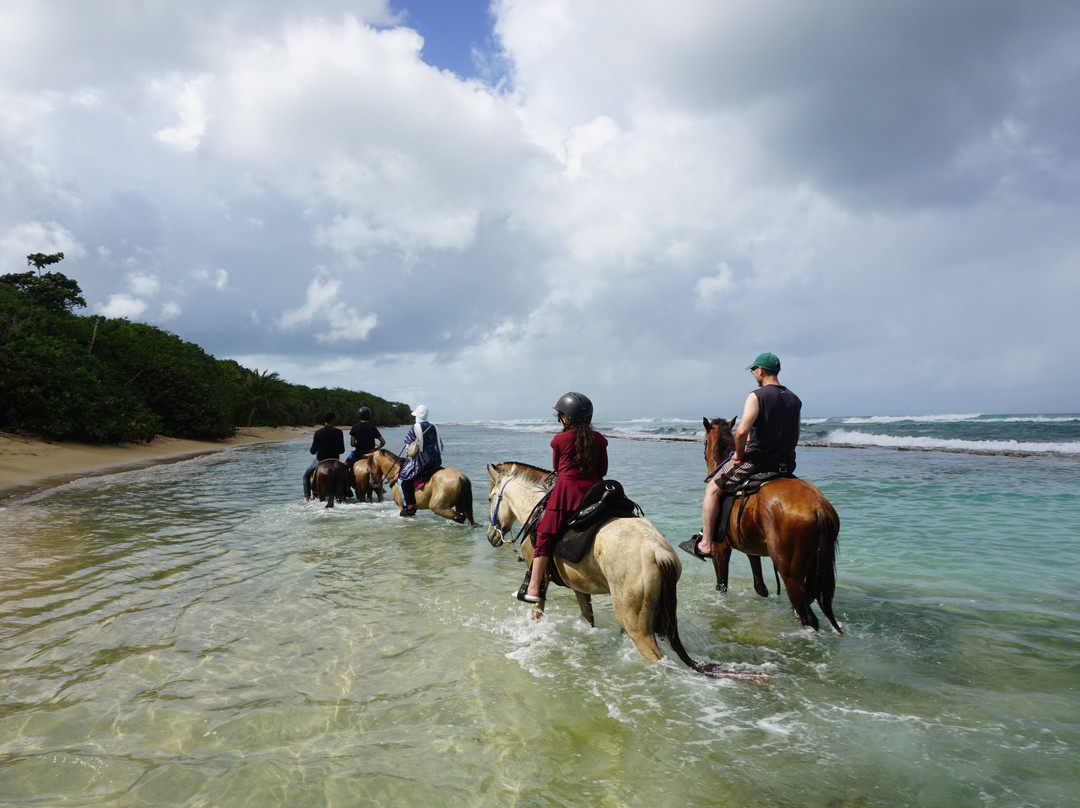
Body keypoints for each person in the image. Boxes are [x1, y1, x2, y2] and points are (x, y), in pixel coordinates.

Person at [683, 352, 801, 560]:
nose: (754, 373)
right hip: (787, 464)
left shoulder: (756, 396)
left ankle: (706, 543)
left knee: (712, 489)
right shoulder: (794, 399)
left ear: (760, 371)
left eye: (754, 370)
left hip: (758, 462)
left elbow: (741, 431)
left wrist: (739, 453)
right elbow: (795, 434)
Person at [515, 392, 608, 603]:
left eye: (560, 416)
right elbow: (603, 469)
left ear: (566, 417)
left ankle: (533, 587)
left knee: (544, 536)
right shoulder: (600, 439)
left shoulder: (559, 439)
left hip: (567, 494)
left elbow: (557, 468)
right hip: (595, 492)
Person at [397, 404, 442, 517]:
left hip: (422, 463)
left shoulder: (415, 428)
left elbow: (408, 447)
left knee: (402, 479)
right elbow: (440, 445)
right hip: (436, 461)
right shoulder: (434, 427)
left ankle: (410, 507)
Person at [303, 411, 345, 502]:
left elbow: (312, 451)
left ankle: (307, 498)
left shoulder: (318, 432)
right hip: (335, 460)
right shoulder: (339, 432)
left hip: (321, 460)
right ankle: (347, 491)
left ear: (324, 420)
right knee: (347, 474)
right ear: (333, 420)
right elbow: (342, 451)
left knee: (306, 476)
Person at [345, 406, 386, 475]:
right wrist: (377, 447)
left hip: (358, 453)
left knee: (345, 464)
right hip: (371, 453)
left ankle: (347, 482)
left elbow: (352, 444)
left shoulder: (355, 427)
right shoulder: (372, 427)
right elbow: (383, 442)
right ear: (369, 416)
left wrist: (359, 444)